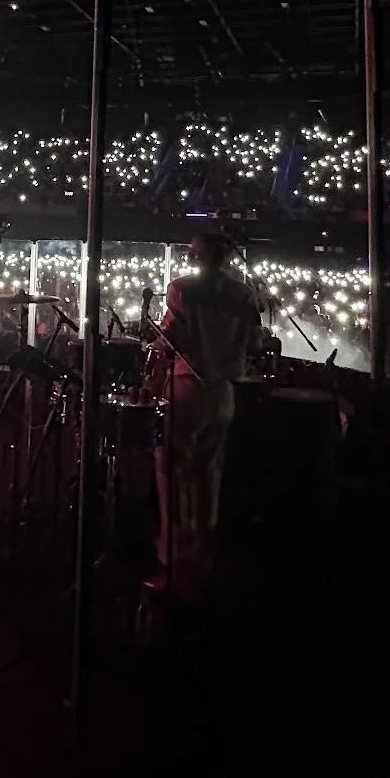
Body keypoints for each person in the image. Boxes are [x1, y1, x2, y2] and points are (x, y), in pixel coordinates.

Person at [155, 230, 263, 593]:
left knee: (175, 470)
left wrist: (155, 337)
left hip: (188, 389)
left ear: (198, 255)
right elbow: (255, 344)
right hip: (224, 393)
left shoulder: (182, 289)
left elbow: (172, 340)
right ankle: (204, 557)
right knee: (209, 474)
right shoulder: (243, 293)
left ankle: (176, 559)